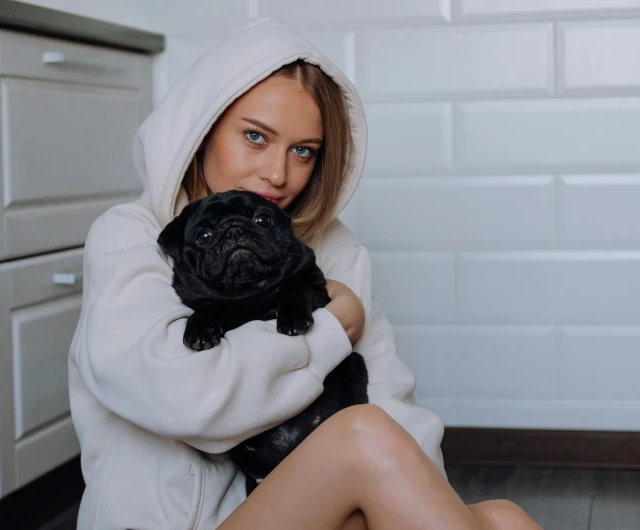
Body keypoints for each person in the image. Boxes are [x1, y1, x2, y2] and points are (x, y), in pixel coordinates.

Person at [68, 16, 542, 530]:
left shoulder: (333, 250)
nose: (277, 174)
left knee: (504, 519)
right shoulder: (128, 237)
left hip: (294, 511)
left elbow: (394, 408)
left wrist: (415, 503)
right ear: (201, 131)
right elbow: (185, 401)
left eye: (303, 151)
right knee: (362, 433)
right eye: (255, 136)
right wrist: (333, 331)